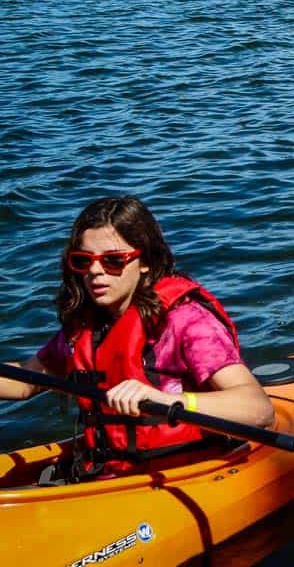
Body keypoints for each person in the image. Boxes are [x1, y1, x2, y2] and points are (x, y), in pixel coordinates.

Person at [0, 196, 275, 479]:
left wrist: (164, 400)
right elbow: (25, 383)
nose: (95, 271)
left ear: (145, 261)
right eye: (83, 260)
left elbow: (258, 408)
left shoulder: (186, 321)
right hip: (107, 473)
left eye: (113, 260)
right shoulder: (85, 326)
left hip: (184, 474)